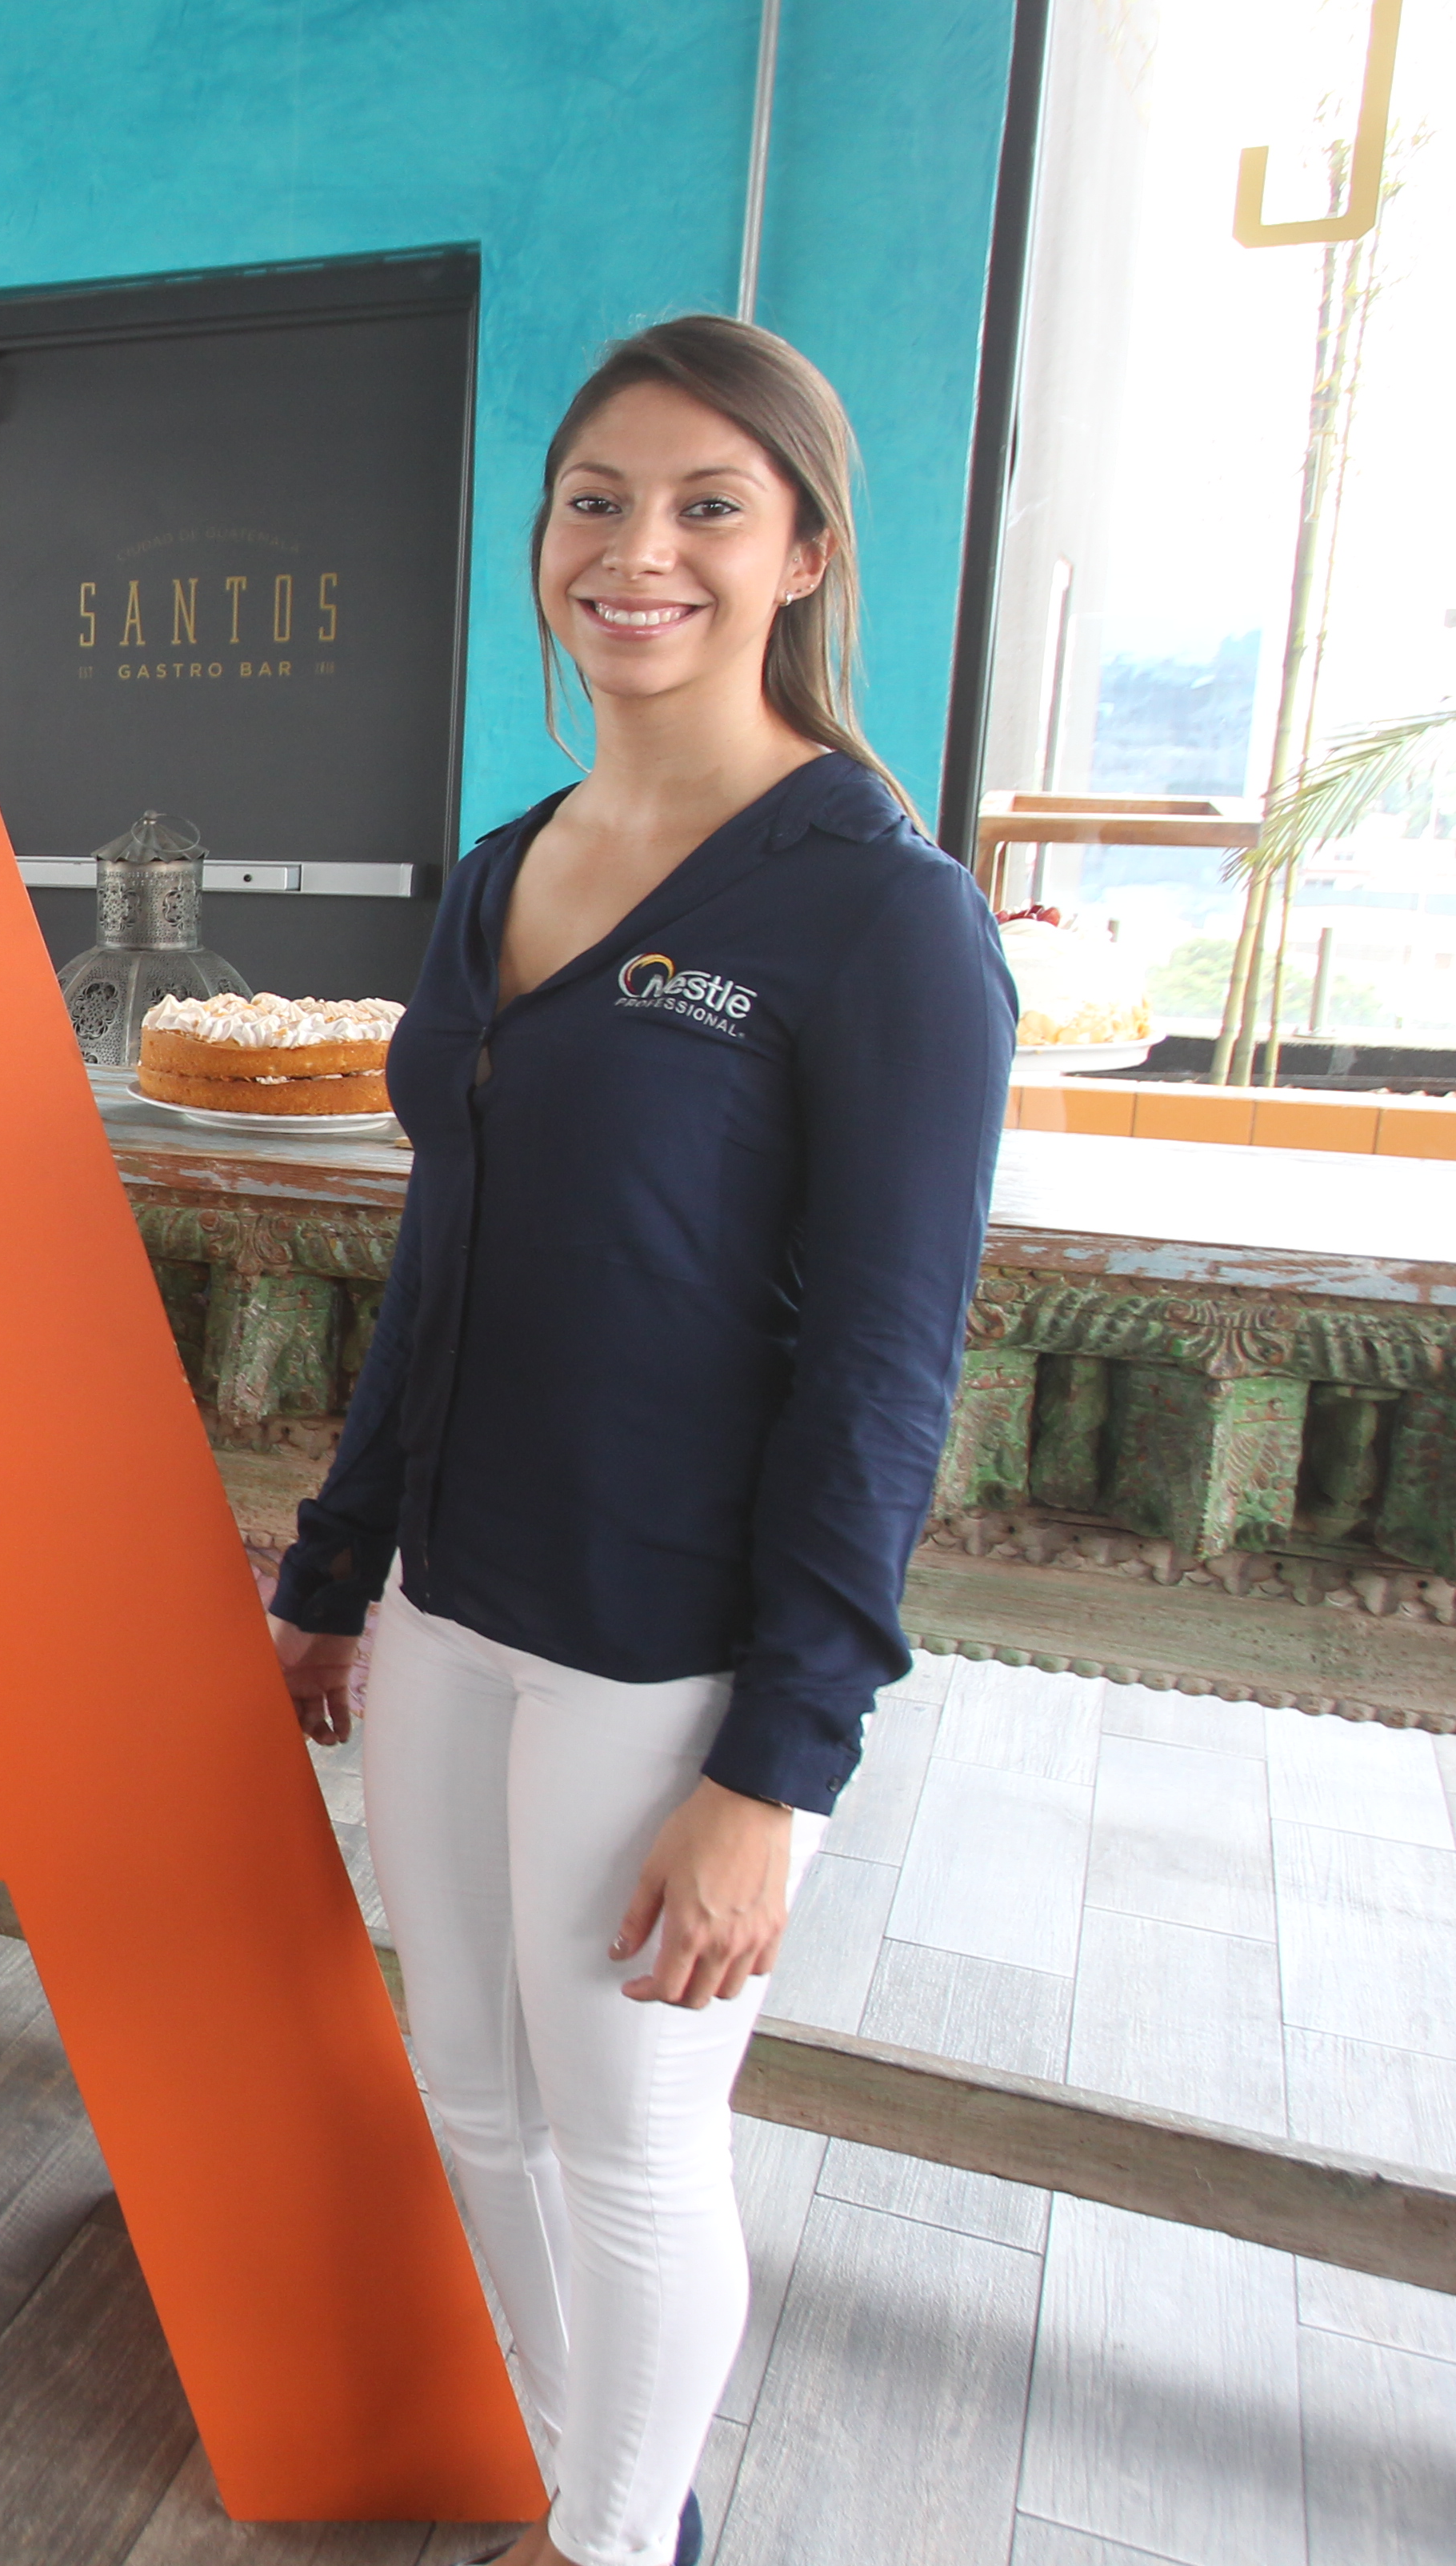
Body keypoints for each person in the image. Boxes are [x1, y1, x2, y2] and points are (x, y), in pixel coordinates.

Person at [266, 318, 1012, 2566]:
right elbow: (448, 1258)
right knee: (477, 2101)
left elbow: (886, 1373)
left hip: (659, 1645)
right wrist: (335, 1568)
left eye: (706, 505)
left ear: (804, 554)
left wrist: (775, 1772)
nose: (639, 550)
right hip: (453, 1609)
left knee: (630, 2135)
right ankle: (621, 2512)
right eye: (598, 498)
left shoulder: (883, 920)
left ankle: (604, 2545)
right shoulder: (507, 872)